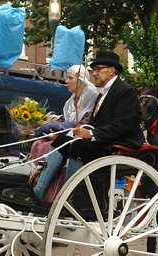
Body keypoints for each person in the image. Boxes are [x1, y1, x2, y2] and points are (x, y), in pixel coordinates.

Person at [57, 51, 144, 183]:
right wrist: (81, 132)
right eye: (94, 70)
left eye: (98, 69)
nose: (94, 73)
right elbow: (94, 122)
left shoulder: (125, 91)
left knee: (78, 146)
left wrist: (91, 133)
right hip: (104, 140)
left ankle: (69, 192)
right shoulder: (102, 94)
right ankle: (42, 189)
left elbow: (121, 125)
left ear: (111, 70)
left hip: (120, 143)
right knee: (61, 141)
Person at [31, 64, 100, 201]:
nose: (66, 81)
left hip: (86, 140)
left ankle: (67, 194)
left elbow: (85, 124)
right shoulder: (70, 102)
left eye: (70, 78)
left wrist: (59, 131)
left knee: (63, 142)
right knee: (44, 142)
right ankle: (39, 188)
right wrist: (55, 131)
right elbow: (64, 121)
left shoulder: (92, 98)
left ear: (81, 80)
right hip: (70, 138)